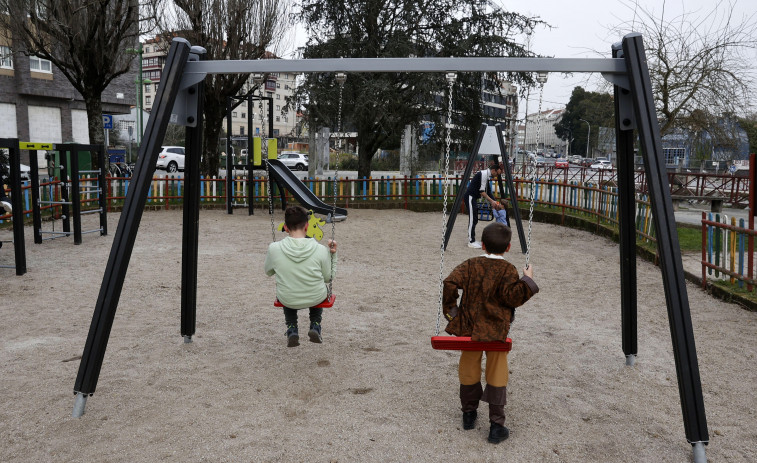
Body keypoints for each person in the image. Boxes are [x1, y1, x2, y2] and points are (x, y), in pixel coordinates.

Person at [442, 222, 538, 444]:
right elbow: (513, 297)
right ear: (509, 247)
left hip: (471, 329)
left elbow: (450, 282)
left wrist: (452, 312)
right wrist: (528, 280)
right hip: (495, 331)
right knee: (497, 370)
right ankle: (496, 425)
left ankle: (468, 414)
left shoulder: (471, 264)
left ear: (483, 244)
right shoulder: (508, 270)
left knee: (469, 366)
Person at [264, 205, 337, 347]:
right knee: (317, 287)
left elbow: (268, 272)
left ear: (285, 227)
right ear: (307, 226)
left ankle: (292, 328)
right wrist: (333, 254)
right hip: (315, 296)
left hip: (287, 297)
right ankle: (315, 325)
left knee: (289, 289)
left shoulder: (274, 248)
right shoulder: (321, 249)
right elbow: (328, 278)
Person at [463, 162, 503, 248]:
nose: (496, 176)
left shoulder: (486, 176)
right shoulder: (484, 174)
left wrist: (496, 202)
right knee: (473, 219)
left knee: (475, 219)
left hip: (473, 198)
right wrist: (492, 202)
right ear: (493, 170)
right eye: (496, 174)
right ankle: (471, 241)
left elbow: (488, 191)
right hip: (470, 197)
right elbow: (482, 192)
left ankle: (473, 239)